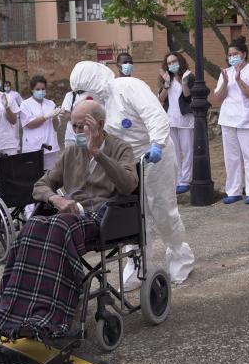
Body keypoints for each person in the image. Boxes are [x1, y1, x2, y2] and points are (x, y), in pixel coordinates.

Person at [0, 100, 137, 341]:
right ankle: (7, 312)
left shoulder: (120, 148)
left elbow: (129, 185)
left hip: (103, 218)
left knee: (57, 227)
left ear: (100, 125)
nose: (77, 132)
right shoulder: (71, 152)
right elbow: (40, 186)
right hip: (69, 217)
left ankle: (49, 318)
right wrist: (57, 199)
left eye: (82, 127)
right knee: (31, 228)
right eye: (73, 127)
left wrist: (98, 153)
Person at [70, 61, 194, 287]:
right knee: (131, 214)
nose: (83, 95)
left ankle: (180, 257)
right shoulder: (95, 106)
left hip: (155, 154)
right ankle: (136, 264)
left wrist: (156, 143)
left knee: (162, 209)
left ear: (94, 82)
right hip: (126, 164)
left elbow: (155, 115)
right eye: (78, 92)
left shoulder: (127, 87)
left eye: (83, 89)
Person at [210, 37, 249, 204]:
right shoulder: (225, 73)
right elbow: (218, 98)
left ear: (244, 54)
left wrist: (239, 80)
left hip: (248, 120)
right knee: (231, 158)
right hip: (228, 120)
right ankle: (233, 191)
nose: (232, 57)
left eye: (235, 54)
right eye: (230, 55)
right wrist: (226, 82)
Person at [157, 52, 193, 194]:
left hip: (186, 120)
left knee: (188, 151)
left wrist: (183, 82)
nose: (172, 65)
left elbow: (187, 95)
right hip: (171, 121)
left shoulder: (188, 76)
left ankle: (186, 180)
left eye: (174, 62)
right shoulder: (167, 79)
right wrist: (166, 84)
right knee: (175, 152)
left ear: (180, 61)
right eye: (169, 63)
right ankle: (178, 180)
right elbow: (161, 98)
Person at [19, 75, 62, 170]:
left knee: (50, 175)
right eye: (38, 89)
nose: (41, 91)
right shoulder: (25, 104)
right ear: (32, 89)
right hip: (33, 147)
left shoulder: (51, 103)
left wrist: (55, 117)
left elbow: (56, 127)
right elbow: (29, 124)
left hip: (50, 146)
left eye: (43, 89)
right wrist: (47, 116)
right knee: (33, 175)